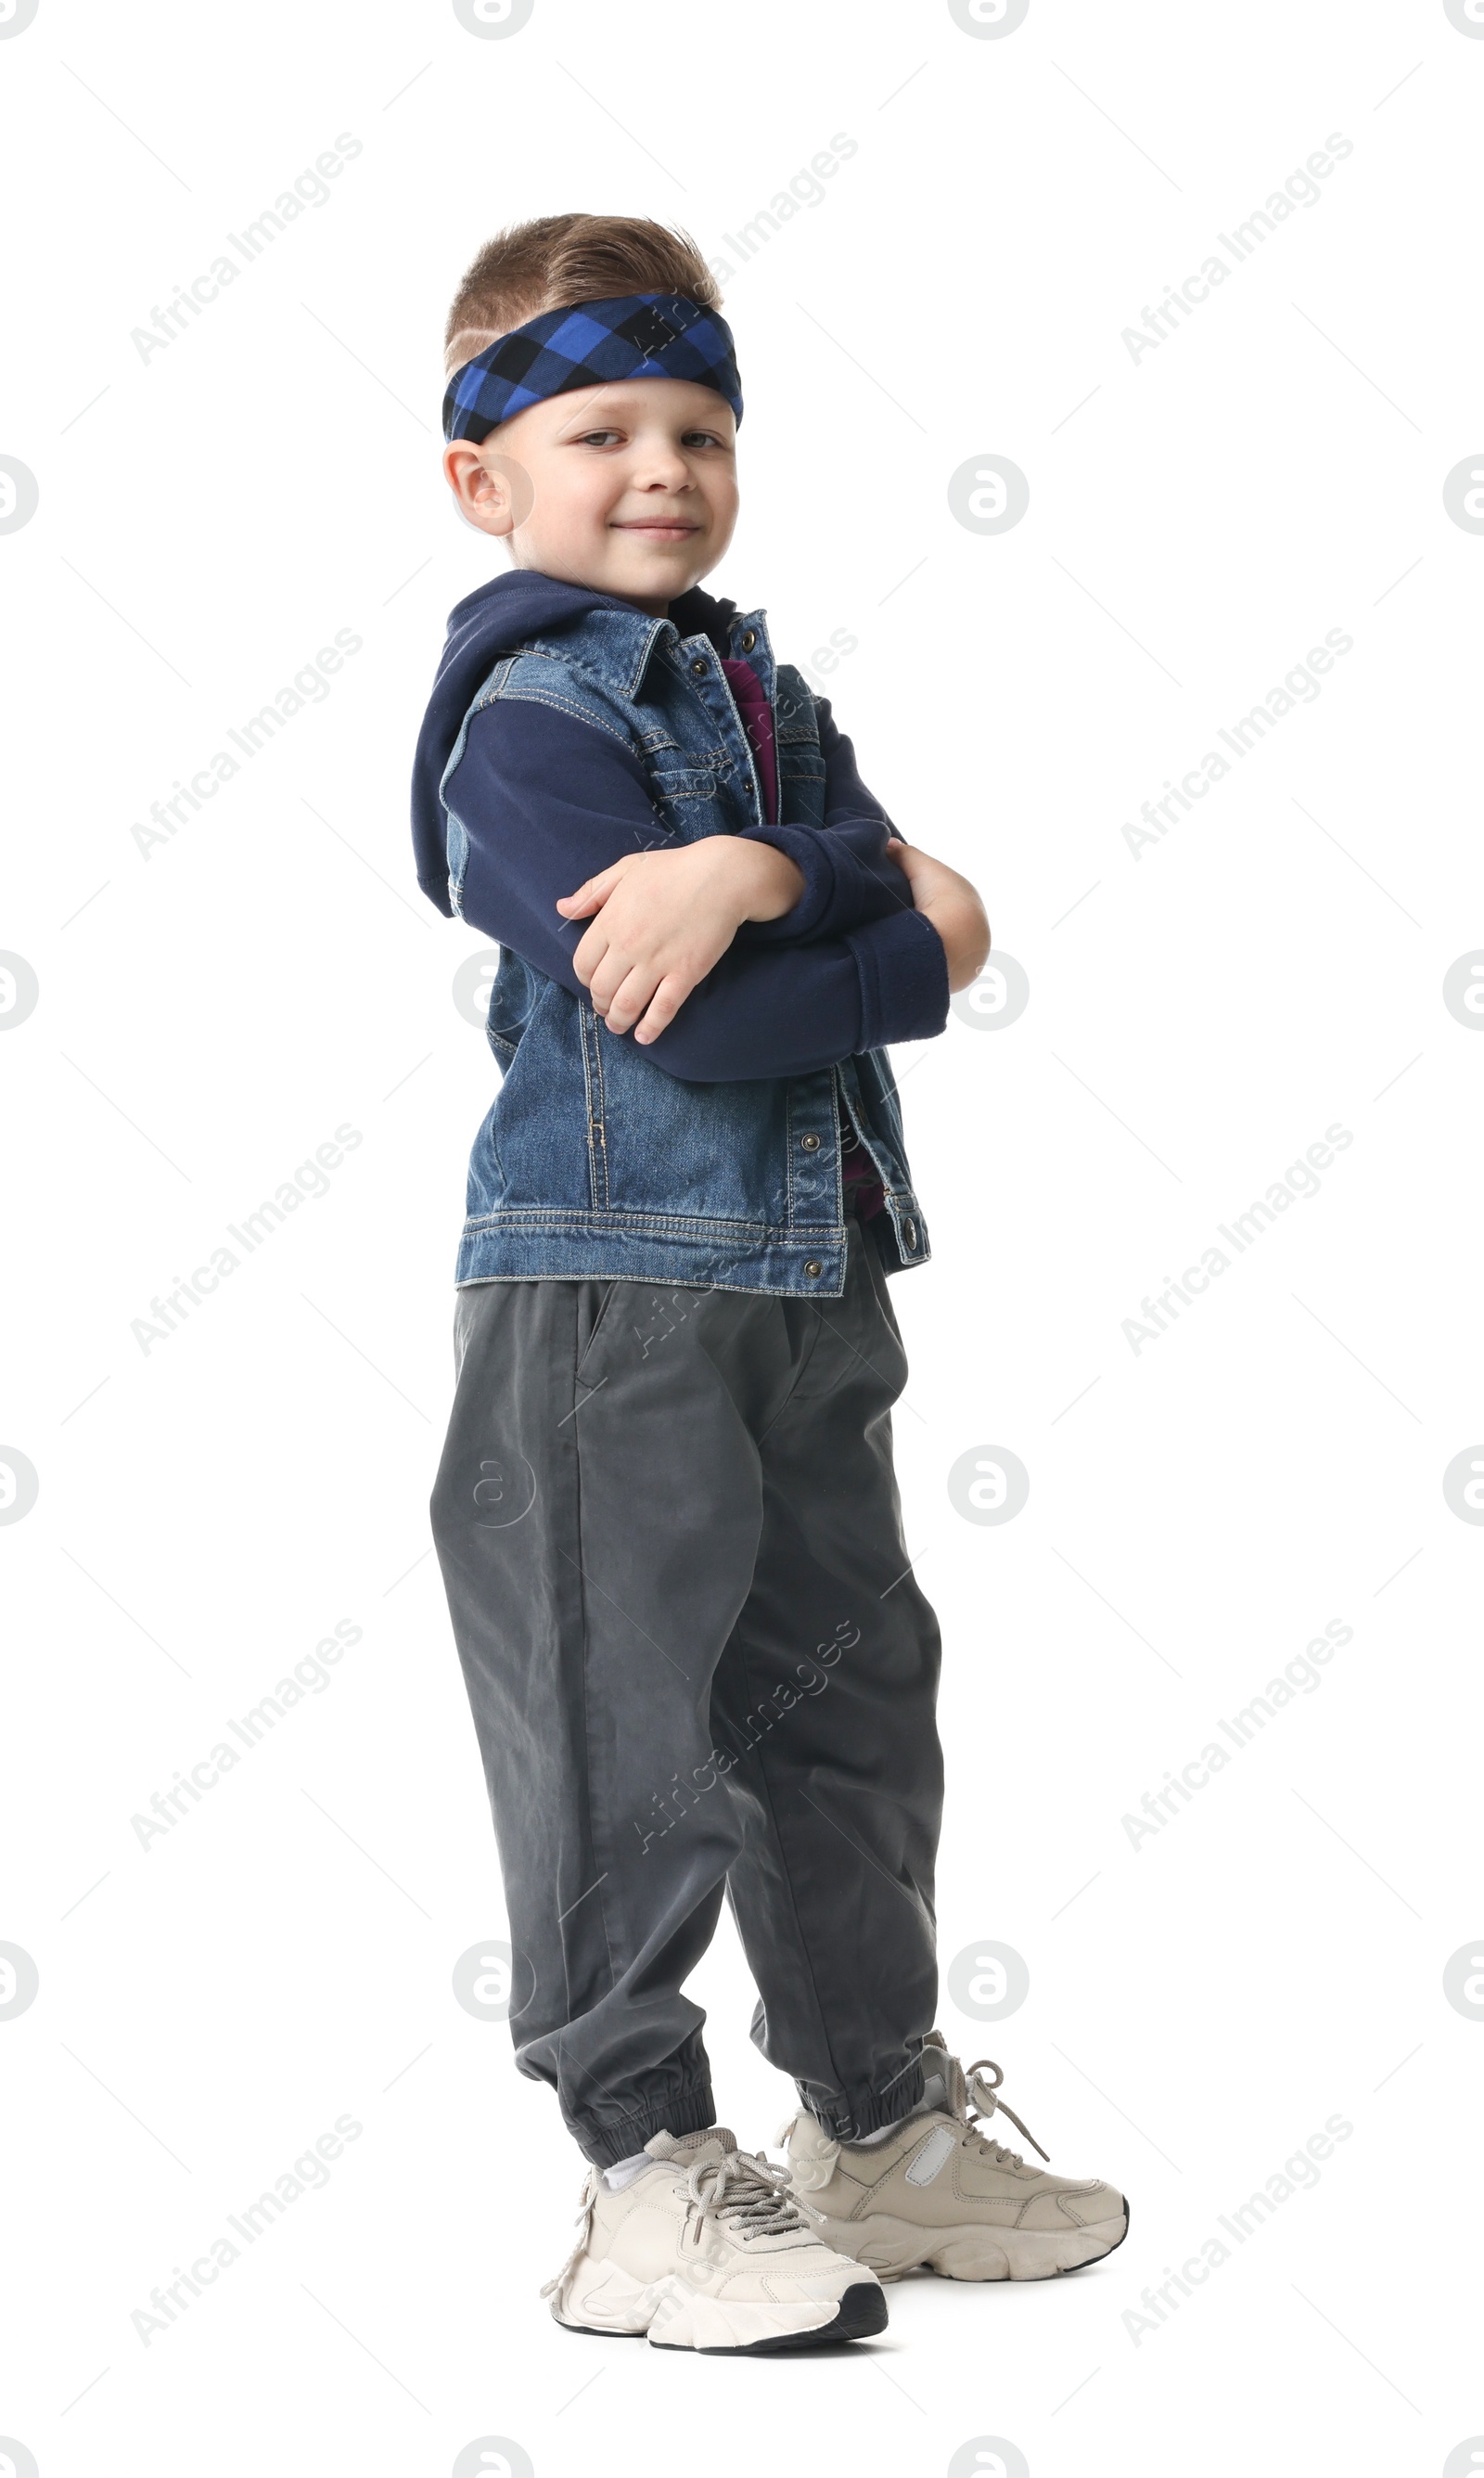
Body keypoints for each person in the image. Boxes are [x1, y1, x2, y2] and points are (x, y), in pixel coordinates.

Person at [415, 213, 1126, 2356]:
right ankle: (640, 2177)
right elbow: (733, 1021)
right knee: (621, 1732)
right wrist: (863, 913)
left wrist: (756, 867)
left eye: (700, 428)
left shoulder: (754, 693)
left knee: (845, 1704)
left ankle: (873, 2128)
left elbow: (950, 906)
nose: (661, 469)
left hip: (808, 1278)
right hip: (608, 1300)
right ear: (485, 479)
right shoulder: (520, 730)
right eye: (602, 427)